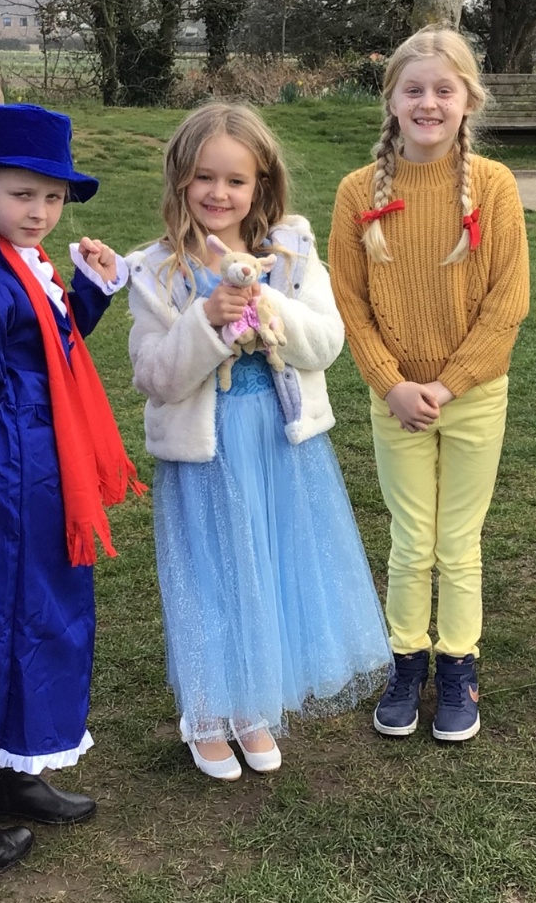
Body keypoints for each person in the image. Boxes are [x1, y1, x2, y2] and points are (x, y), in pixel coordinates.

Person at [124, 101, 389, 781]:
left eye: (236, 180)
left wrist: (264, 300)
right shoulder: (156, 270)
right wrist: (206, 321)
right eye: (204, 177)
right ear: (180, 178)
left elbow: (325, 343)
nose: (219, 193)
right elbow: (154, 376)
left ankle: (252, 705)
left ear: (261, 184)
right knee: (213, 574)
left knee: (269, 565)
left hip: (278, 441)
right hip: (206, 451)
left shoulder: (290, 252)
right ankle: (208, 711)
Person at [0, 102, 140, 887]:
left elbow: (46, 346)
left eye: (52, 196)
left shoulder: (20, 259)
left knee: (36, 622)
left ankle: (15, 773)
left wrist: (91, 292)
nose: (39, 210)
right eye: (22, 193)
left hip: (37, 469)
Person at [328, 27, 530, 743]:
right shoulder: (357, 192)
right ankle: (406, 659)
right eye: (413, 89)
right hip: (396, 403)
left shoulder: (495, 186)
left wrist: (447, 385)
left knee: (458, 542)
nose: (428, 103)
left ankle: (458, 666)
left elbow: (508, 301)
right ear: (392, 99)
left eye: (445, 89)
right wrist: (391, 385)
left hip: (472, 397)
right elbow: (349, 303)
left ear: (468, 99)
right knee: (412, 540)